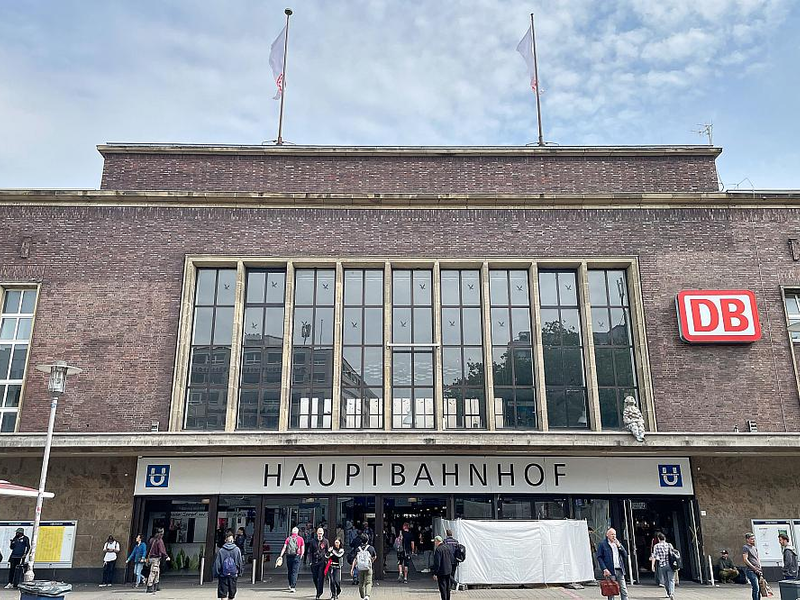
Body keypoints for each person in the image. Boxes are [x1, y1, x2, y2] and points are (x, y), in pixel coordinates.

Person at [596, 528, 629, 600]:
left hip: (619, 569)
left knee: (623, 589)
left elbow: (625, 555)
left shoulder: (617, 543)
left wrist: (619, 546)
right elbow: (599, 557)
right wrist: (604, 568)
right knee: (611, 590)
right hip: (610, 570)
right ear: (607, 535)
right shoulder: (603, 544)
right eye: (612, 534)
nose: (614, 536)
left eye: (615, 534)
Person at [213, 532, 243, 600]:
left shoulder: (221, 550)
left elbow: (218, 563)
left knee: (223, 593)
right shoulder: (237, 550)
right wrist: (240, 572)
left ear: (225, 540)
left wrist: (216, 573)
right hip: (233, 574)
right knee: (232, 593)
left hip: (223, 574)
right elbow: (240, 562)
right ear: (233, 540)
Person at [279, 526, 305, 593]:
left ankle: (290, 584)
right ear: (298, 532)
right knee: (295, 571)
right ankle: (293, 586)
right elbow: (302, 548)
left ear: (292, 532)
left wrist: (281, 555)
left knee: (290, 571)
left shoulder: (288, 538)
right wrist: (301, 555)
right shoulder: (300, 539)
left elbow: (284, 548)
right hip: (296, 556)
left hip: (289, 556)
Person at [350, 534, 376, 600]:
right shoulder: (371, 548)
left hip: (360, 568)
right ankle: (367, 595)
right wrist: (371, 561)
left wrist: (352, 569)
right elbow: (374, 556)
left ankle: (362, 596)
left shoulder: (358, 549)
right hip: (368, 567)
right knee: (369, 582)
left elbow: (355, 559)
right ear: (367, 540)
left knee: (361, 582)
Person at [651, 533, 676, 600]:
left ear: (658, 539)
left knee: (665, 580)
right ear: (664, 538)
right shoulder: (669, 545)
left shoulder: (656, 546)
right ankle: (671, 593)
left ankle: (668, 593)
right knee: (671, 580)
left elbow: (654, 556)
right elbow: (673, 555)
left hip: (662, 565)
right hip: (670, 565)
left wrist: (652, 566)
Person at [146, 529, 170, 594]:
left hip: (150, 558)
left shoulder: (151, 540)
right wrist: (166, 556)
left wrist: (146, 557)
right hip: (156, 558)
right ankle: (150, 586)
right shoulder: (159, 541)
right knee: (153, 572)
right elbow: (162, 550)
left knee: (156, 571)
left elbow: (147, 549)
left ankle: (156, 585)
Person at [309, 527, 330, 600]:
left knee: (320, 578)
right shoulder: (312, 541)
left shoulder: (326, 541)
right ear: (316, 533)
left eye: (321, 533)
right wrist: (310, 561)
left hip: (322, 562)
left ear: (323, 533)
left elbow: (327, 552)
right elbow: (310, 552)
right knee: (315, 578)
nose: (320, 535)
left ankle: (319, 593)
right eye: (318, 533)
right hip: (314, 561)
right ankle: (318, 588)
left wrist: (327, 560)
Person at [432, 536, 453, 600]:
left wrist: (435, 573)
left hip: (441, 571)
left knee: (442, 587)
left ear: (437, 541)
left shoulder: (438, 550)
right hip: (448, 570)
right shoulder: (447, 547)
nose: (434, 543)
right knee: (447, 587)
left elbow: (437, 563)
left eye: (435, 542)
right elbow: (451, 558)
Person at [743, 532, 762, 600]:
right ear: (747, 539)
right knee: (756, 587)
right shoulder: (745, 547)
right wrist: (753, 567)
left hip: (758, 570)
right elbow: (745, 559)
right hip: (751, 570)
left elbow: (757, 558)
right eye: (751, 539)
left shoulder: (754, 548)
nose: (753, 540)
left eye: (754, 539)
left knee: (760, 588)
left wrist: (759, 566)